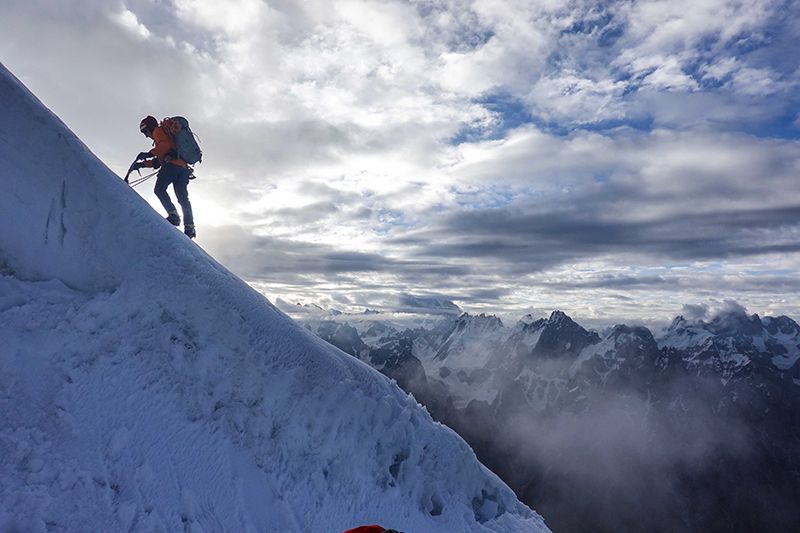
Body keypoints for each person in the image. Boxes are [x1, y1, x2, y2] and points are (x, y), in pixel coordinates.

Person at [132, 115, 196, 238]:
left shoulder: (158, 131)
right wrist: (142, 164)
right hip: (183, 169)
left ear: (150, 128)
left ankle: (173, 215)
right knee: (183, 199)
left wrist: (148, 153)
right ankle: (190, 227)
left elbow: (164, 147)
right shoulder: (168, 136)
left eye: (145, 131)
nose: (146, 135)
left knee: (159, 189)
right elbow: (159, 161)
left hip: (171, 167)